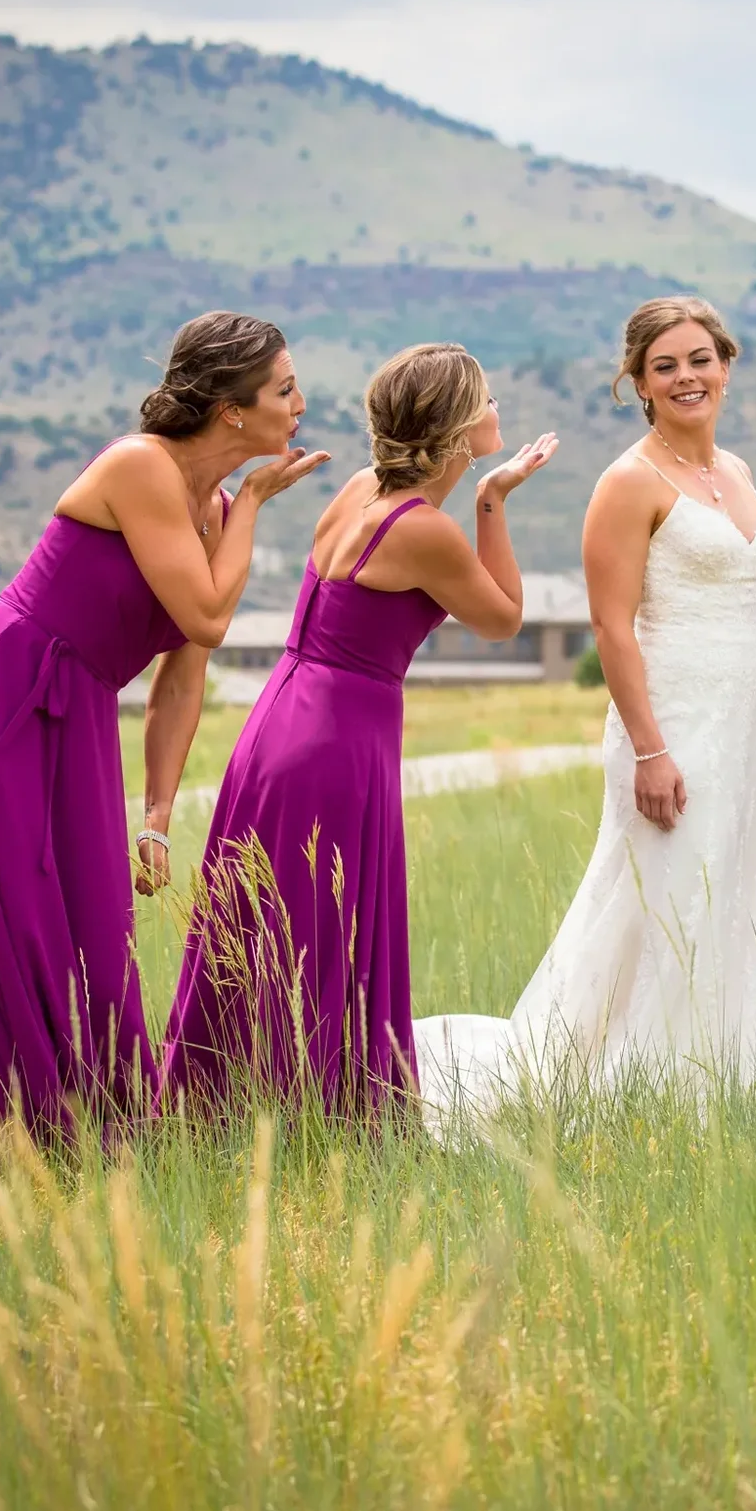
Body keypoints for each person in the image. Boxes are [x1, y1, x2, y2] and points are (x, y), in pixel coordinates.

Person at [0, 311, 329, 1142]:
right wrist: (256, 510)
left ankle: (85, 1131)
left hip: (76, 715)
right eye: (285, 388)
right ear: (232, 409)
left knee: (95, 925)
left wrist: (157, 816)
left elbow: (179, 683)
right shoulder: (142, 468)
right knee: (4, 920)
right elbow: (205, 617)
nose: (301, 402)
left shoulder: (214, 507)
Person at [414, 297, 756, 1139]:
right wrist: (651, 749)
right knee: (664, 895)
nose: (687, 376)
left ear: (726, 365)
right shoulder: (630, 481)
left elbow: (745, 614)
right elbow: (611, 625)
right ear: (638, 384)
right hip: (666, 720)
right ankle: (648, 1086)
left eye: (700, 358)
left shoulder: (734, 472)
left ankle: (724, 1070)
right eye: (665, 366)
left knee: (727, 892)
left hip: (734, 718)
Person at [159, 345, 555, 1120]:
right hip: (337, 737)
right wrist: (493, 501)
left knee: (274, 917)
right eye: (488, 396)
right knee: (315, 922)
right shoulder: (422, 530)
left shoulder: (360, 488)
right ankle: (312, 1106)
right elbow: (504, 618)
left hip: (282, 716)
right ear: (457, 423)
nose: (498, 407)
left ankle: (239, 1093)